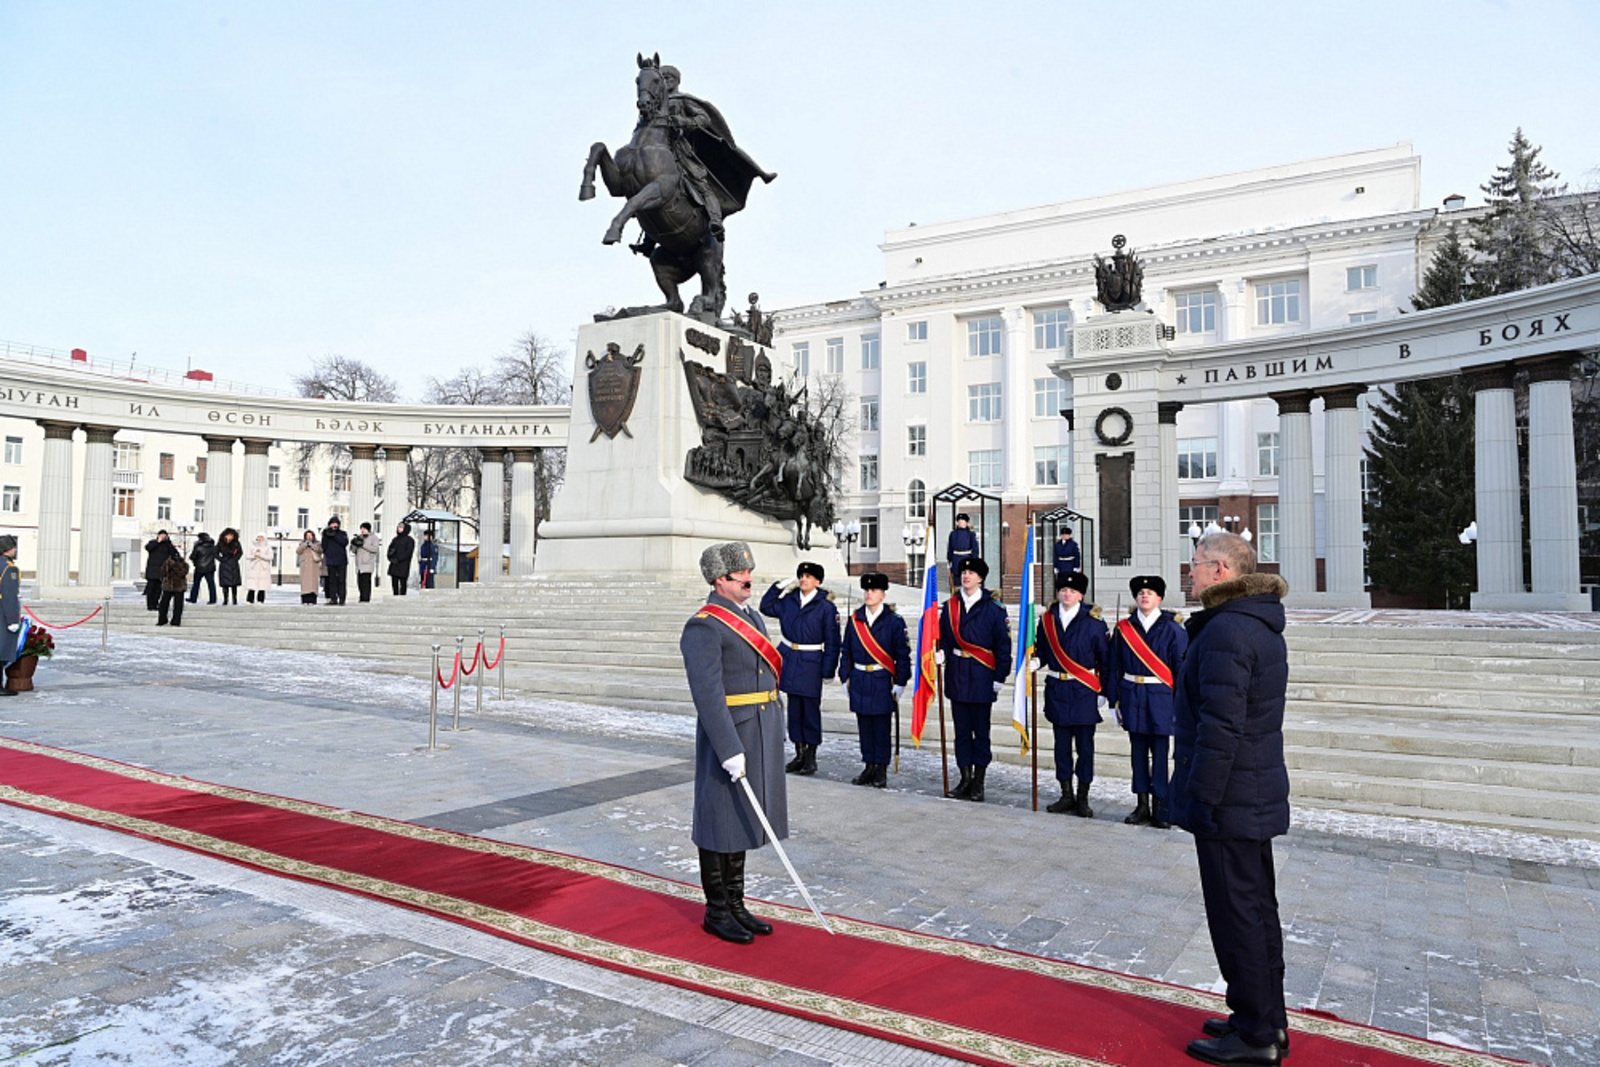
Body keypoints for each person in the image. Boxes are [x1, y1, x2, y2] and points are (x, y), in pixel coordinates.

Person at [1171, 532, 1291, 1066]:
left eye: (1195, 564)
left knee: (1236, 913)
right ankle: (1265, 1016)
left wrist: (1200, 798)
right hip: (1251, 791)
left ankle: (1255, 1035)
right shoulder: (1255, 621)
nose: (1189, 572)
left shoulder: (1227, 631)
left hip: (1229, 797)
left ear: (1220, 570)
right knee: (1256, 909)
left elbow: (1222, 726)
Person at [679, 541, 786, 945]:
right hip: (729, 735)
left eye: (748, 572)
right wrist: (728, 748)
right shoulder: (704, 625)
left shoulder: (751, 617)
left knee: (740, 819)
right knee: (718, 822)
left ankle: (737, 904)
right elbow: (707, 694)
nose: (749, 578)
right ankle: (717, 910)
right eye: (740, 574)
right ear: (719, 580)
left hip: (758, 730)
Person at [1107, 575, 1188, 830]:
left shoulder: (1173, 630)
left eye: (1150, 593)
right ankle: (1141, 804)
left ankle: (1161, 807)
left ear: (1159, 598)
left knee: (1161, 754)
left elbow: (1181, 670)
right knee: (1138, 754)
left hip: (1161, 699)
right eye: (1141, 592)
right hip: (1132, 696)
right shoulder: (1124, 629)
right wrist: (1113, 700)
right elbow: (1113, 667)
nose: (1145, 596)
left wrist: (1180, 705)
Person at [1031, 571, 1108, 817]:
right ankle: (1066, 794)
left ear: (1081, 595)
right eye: (1063, 590)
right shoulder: (1047, 622)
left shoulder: (1095, 624)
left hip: (1084, 691)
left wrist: (1104, 691)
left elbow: (1105, 661)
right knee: (1061, 747)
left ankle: (1083, 797)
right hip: (1058, 691)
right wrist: (1036, 661)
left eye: (1072, 591)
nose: (1067, 594)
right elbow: (1042, 650)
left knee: (1085, 748)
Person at [936, 555, 1011, 802]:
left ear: (980, 578)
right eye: (963, 573)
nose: (965, 576)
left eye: (971, 573)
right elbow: (945, 638)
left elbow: (1002, 646)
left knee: (981, 733)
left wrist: (1000, 677)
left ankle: (979, 781)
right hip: (958, 673)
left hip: (982, 676)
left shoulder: (994, 608)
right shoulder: (950, 607)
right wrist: (941, 654)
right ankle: (964, 778)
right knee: (961, 732)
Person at [759, 561, 840, 777]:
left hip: (812, 661)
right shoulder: (789, 601)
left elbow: (833, 641)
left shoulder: (826, 607)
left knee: (810, 710)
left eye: (808, 576)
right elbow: (765, 607)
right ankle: (799, 754)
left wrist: (828, 669)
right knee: (794, 709)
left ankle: (811, 757)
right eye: (801, 576)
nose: (803, 579)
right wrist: (778, 587)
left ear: (817, 581)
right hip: (790, 658)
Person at [838, 571, 910, 789]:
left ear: (883, 594)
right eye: (867, 590)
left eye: (874, 590)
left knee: (880, 726)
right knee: (864, 725)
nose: (869, 594)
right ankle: (868, 765)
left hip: (881, 679)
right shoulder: (855, 619)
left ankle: (881, 768)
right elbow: (846, 650)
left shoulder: (894, 622)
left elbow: (902, 655)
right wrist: (844, 676)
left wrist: (900, 682)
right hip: (859, 677)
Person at [0, 535, 20, 696]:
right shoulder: (9, 568)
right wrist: (12, 619)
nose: (16, 550)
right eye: (14, 547)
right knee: (1, 649)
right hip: (3, 613)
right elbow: (9, 595)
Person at [143, 531, 178, 612]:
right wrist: (157, 541)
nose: (162, 537)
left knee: (159, 589)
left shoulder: (168, 545)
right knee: (151, 588)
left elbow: (174, 554)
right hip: (152, 569)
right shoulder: (153, 543)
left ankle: (156, 604)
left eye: (164, 535)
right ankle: (150, 604)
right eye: (161, 535)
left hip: (162, 570)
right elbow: (148, 548)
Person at [321, 517, 350, 606]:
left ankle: (342, 598)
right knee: (331, 581)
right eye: (333, 523)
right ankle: (333, 598)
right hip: (331, 560)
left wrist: (335, 535)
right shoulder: (326, 534)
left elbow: (344, 543)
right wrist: (326, 535)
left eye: (336, 523)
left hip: (341, 560)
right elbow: (324, 546)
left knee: (341, 580)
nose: (334, 525)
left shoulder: (342, 533)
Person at [157, 548, 189, 627]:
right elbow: (163, 572)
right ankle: (162, 619)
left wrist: (174, 565)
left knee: (178, 605)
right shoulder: (166, 563)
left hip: (179, 586)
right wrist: (168, 565)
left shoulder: (184, 564)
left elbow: (182, 573)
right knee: (163, 604)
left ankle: (176, 621)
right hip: (168, 586)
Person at [945, 513, 978, 589]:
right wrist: (949, 559)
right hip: (956, 559)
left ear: (966, 522)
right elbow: (950, 548)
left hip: (967, 558)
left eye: (962, 520)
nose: (960, 522)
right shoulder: (953, 534)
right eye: (959, 520)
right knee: (956, 582)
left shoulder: (971, 534)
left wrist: (973, 560)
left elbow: (975, 548)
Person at [352, 522, 381, 603]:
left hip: (368, 564)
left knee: (366, 582)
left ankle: (366, 598)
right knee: (360, 582)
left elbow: (375, 549)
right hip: (359, 564)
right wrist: (354, 544)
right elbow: (354, 551)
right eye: (361, 529)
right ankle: (361, 597)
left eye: (364, 529)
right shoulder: (360, 537)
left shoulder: (373, 538)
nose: (362, 530)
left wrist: (363, 545)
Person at [187, 532, 218, 605]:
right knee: (211, 584)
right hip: (210, 568)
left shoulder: (198, 547)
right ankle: (213, 599)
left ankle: (193, 598)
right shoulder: (213, 547)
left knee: (196, 584)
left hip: (199, 567)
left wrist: (195, 562)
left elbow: (192, 557)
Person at [215, 529, 243, 605]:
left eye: (231, 535)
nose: (229, 537)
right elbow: (215, 553)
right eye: (228, 535)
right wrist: (221, 559)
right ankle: (225, 599)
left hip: (233, 565)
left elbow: (240, 552)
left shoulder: (236, 543)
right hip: (224, 565)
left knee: (234, 584)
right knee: (225, 584)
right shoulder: (221, 543)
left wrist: (235, 559)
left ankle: (234, 599)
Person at [387, 521, 415, 596]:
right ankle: (395, 595)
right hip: (394, 564)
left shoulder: (409, 540)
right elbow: (390, 549)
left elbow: (408, 552)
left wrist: (399, 558)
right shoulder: (395, 539)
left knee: (403, 582)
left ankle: (402, 597)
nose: (399, 529)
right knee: (394, 582)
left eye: (401, 527)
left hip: (403, 564)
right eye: (398, 527)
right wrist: (390, 557)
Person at [296, 530, 323, 606]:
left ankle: (312, 599)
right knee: (305, 584)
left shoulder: (317, 543)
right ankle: (305, 599)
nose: (309, 537)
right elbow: (298, 551)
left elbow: (320, 550)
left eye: (310, 536)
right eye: (307, 536)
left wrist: (312, 545)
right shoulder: (302, 543)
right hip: (305, 567)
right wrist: (305, 545)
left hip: (314, 566)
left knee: (313, 584)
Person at [244, 533, 272, 604]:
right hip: (253, 568)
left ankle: (260, 600)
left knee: (262, 586)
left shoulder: (267, 547)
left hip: (263, 569)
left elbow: (270, 557)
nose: (259, 539)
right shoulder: (252, 546)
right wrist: (254, 555)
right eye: (258, 537)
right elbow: (247, 555)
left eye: (261, 537)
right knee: (252, 585)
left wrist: (261, 555)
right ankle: (250, 600)